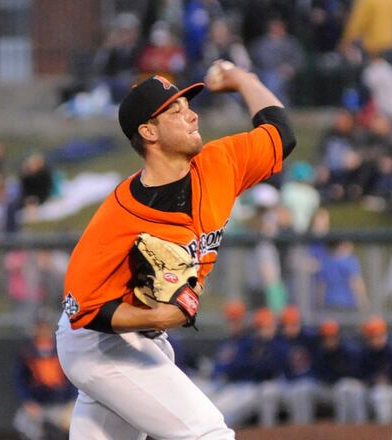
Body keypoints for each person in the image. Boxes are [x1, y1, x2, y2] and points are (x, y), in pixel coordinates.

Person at [56, 61, 296, 439]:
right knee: (207, 433)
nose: (192, 115)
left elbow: (281, 134)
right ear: (148, 132)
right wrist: (160, 318)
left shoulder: (220, 164)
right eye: (176, 111)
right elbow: (83, 309)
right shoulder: (119, 216)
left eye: (188, 106)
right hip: (99, 345)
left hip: (143, 341)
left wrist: (244, 80)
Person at [13, 321, 76, 440]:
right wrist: (28, 401)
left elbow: (73, 377)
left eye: (45, 327)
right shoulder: (27, 352)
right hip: (38, 406)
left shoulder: (61, 349)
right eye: (40, 327)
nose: (43, 330)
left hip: (62, 406)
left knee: (79, 422)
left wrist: (73, 402)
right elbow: (20, 381)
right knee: (22, 421)